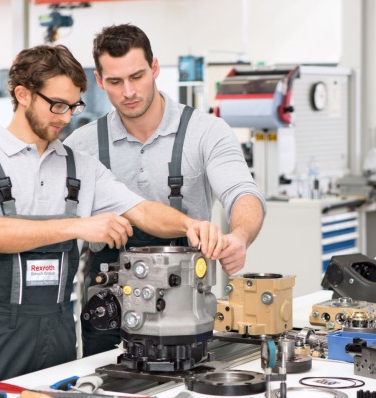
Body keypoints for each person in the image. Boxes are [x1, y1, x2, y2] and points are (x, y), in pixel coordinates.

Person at [0, 44, 224, 395]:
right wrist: (79, 225)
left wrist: (189, 226)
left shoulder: (80, 166)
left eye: (73, 106)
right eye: (57, 105)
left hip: (58, 332)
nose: (65, 117)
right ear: (23, 94)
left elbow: (140, 209)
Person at [64, 23, 266, 357]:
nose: (129, 91)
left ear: (155, 68)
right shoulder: (81, 145)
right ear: (100, 81)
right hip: (107, 301)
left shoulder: (206, 132)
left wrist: (240, 236)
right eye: (115, 82)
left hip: (183, 301)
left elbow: (242, 192)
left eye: (137, 76)